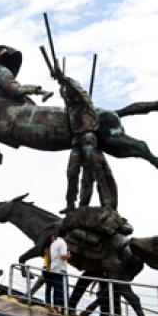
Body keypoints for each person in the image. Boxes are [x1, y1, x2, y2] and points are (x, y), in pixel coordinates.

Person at [52, 64, 118, 212]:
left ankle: (107, 202)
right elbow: (64, 92)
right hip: (76, 142)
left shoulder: (85, 102)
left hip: (88, 139)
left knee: (96, 170)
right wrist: (60, 82)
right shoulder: (71, 108)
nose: (67, 95)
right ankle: (70, 204)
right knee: (71, 172)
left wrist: (64, 78)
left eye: (69, 93)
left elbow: (76, 89)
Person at [49, 227, 71, 314]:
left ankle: (56, 307)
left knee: (56, 289)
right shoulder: (63, 243)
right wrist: (69, 256)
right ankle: (64, 309)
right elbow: (62, 256)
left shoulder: (54, 243)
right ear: (66, 235)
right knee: (64, 290)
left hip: (53, 268)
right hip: (60, 269)